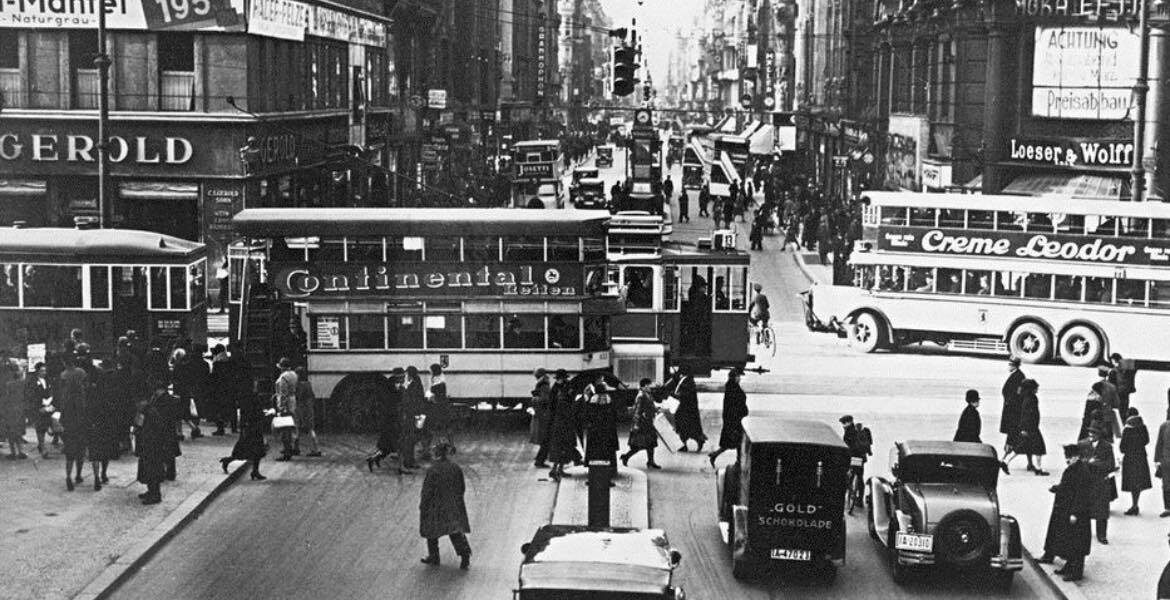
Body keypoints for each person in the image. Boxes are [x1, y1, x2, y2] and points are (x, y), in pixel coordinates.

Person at [1037, 444, 1093, 582]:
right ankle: (1069, 567)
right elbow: (1067, 486)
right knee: (1070, 540)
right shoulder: (1074, 468)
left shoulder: (1082, 471)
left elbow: (1081, 494)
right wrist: (1057, 488)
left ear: (1077, 457)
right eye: (1066, 457)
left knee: (1077, 543)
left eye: (1070, 457)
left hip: (1076, 512)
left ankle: (1076, 572)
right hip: (1066, 508)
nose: (1067, 460)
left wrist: (1075, 513)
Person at [419, 441, 472, 570]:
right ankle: (464, 555)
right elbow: (461, 487)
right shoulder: (455, 467)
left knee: (431, 530)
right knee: (454, 530)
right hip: (452, 502)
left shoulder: (433, 470)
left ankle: (434, 556)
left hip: (436, 504)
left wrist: (424, 504)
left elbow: (427, 490)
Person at [221, 375, 270, 481]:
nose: (256, 385)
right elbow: (247, 412)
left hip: (255, 425)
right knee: (245, 449)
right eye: (255, 383)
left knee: (256, 450)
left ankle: (255, 471)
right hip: (251, 426)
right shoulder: (248, 396)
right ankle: (228, 460)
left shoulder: (251, 395)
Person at [136, 378, 175, 505]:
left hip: (152, 445)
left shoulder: (151, 412)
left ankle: (155, 494)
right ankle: (151, 491)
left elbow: (157, 429)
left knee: (152, 470)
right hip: (148, 444)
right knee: (148, 470)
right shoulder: (147, 411)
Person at [87, 360, 122, 489]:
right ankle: (104, 474)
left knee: (95, 452)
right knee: (105, 451)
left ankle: (96, 477)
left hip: (94, 424)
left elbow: (88, 409)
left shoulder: (91, 392)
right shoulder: (112, 393)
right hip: (107, 424)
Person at [58, 354, 89, 491]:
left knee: (69, 454)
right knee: (80, 452)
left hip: (69, 425)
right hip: (81, 424)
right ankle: (78, 475)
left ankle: (68, 476)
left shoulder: (63, 375)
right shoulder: (81, 373)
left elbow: (62, 415)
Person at [367, 367, 405, 473]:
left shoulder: (389, 385)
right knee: (399, 444)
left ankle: (373, 458)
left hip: (388, 420)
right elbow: (396, 402)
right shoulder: (394, 387)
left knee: (387, 446)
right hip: (392, 420)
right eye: (403, 377)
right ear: (399, 376)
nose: (404, 379)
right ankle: (400, 468)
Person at [1083, 425, 1117, 545]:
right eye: (1090, 433)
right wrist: (1088, 462)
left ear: (1099, 435)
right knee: (1083, 508)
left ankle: (1101, 535)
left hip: (1101, 482)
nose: (1091, 435)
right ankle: (1083, 532)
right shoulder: (1082, 444)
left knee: (1102, 511)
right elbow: (1077, 460)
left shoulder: (1107, 447)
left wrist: (1096, 464)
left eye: (1094, 433)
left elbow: (1110, 465)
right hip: (1087, 481)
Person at [708, 368, 748, 467]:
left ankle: (715, 455)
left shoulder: (732, 387)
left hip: (735, 419)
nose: (740, 378)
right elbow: (734, 406)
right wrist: (736, 420)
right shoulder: (733, 389)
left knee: (732, 442)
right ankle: (737, 462)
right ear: (734, 377)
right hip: (734, 420)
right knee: (735, 441)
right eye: (738, 376)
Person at [621, 378, 661, 469]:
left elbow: (650, 406)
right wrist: (636, 424)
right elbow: (637, 411)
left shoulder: (647, 394)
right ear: (645, 386)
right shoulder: (641, 396)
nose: (651, 387)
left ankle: (651, 462)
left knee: (651, 444)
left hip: (648, 423)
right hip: (642, 424)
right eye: (649, 385)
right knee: (638, 445)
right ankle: (626, 457)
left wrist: (656, 409)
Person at [1120, 407, 1152, 515]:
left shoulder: (1127, 429)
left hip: (1130, 458)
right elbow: (1146, 441)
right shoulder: (1143, 427)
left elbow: (1122, 448)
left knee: (1132, 482)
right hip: (1141, 457)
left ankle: (1134, 505)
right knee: (1138, 482)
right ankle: (1135, 504)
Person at [669, 366, 706, 452]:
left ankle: (696, 441)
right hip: (685, 409)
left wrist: (674, 395)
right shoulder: (686, 380)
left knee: (685, 427)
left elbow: (684, 395)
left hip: (686, 410)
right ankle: (686, 444)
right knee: (685, 427)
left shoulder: (687, 381)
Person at [1017, 378, 1049, 476]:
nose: (1037, 389)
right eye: (1036, 388)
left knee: (1024, 446)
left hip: (1029, 426)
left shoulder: (1026, 398)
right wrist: (1025, 428)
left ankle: (1006, 461)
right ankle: (1038, 468)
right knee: (1039, 447)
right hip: (1032, 427)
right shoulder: (1032, 399)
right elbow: (1029, 414)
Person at [1000, 356, 1026, 474]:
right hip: (1011, 410)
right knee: (1013, 436)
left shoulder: (1019, 376)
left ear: (1015, 365)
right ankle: (1004, 459)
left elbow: (1018, 394)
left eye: (1010, 364)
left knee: (1013, 436)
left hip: (1013, 411)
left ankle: (1004, 459)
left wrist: (1010, 402)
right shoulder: (1016, 375)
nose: (1008, 366)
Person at [24, 362, 53, 457]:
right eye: (42, 371)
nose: (44, 372)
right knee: (40, 427)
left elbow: (50, 391)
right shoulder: (32, 381)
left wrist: (50, 400)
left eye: (45, 370)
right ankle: (42, 447)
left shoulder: (47, 380)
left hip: (47, 406)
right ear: (37, 371)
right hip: (38, 407)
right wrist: (39, 406)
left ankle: (41, 445)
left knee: (44, 426)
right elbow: (31, 395)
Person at [273, 357, 298, 461]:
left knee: (285, 428)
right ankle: (292, 447)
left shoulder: (283, 377)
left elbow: (283, 393)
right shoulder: (293, 375)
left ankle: (287, 451)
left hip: (286, 403)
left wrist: (281, 407)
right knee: (292, 425)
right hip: (293, 400)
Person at [1, 362, 27, 459]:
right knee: (19, 432)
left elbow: (6, 398)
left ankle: (13, 453)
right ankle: (21, 452)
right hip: (20, 409)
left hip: (10, 410)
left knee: (11, 432)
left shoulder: (8, 384)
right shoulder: (23, 383)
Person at [294, 367, 321, 457]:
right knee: (309, 428)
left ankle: (314, 449)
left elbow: (298, 397)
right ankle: (314, 448)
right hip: (309, 408)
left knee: (301, 428)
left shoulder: (299, 385)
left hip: (302, 409)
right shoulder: (308, 384)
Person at [529, 368, 553, 468]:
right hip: (544, 414)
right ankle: (540, 460)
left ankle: (540, 459)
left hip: (543, 415)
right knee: (546, 439)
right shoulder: (544, 384)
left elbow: (544, 399)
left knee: (545, 438)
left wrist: (534, 398)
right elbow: (545, 399)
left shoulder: (542, 385)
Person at [841, 415, 873, 485]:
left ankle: (851, 493)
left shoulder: (850, 432)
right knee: (859, 476)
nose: (843, 425)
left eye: (844, 423)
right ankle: (859, 494)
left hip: (854, 457)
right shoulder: (859, 430)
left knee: (852, 476)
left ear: (849, 422)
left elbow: (847, 446)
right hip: (861, 457)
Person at [1109, 353, 1136, 418]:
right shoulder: (1129, 370)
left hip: (1118, 394)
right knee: (1124, 410)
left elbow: (1111, 384)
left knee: (1118, 411)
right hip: (1125, 393)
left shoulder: (1114, 371)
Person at [1157, 405, 1170, 517]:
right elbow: (1159, 443)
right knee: (1166, 485)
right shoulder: (1164, 426)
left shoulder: (1164, 426)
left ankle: (1168, 507)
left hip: (1166, 460)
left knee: (1166, 485)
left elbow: (1159, 444)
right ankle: (1168, 507)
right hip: (1166, 461)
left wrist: (1157, 459)